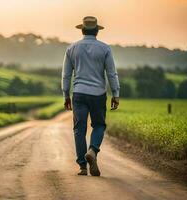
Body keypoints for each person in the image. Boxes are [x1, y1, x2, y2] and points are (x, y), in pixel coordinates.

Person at [61, 16, 120, 176]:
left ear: (82, 30)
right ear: (96, 31)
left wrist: (66, 94)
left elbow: (66, 75)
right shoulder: (105, 49)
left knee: (79, 129)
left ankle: (82, 166)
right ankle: (93, 151)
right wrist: (115, 93)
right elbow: (111, 73)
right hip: (98, 94)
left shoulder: (72, 48)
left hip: (79, 93)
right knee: (99, 125)